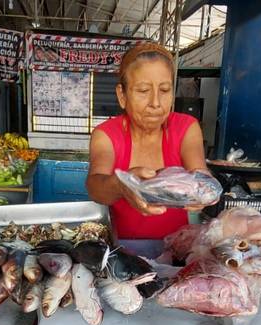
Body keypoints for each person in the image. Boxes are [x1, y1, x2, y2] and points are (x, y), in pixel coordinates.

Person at [86, 43, 209, 240]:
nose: (156, 103)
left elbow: (200, 175)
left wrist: (203, 189)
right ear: (122, 95)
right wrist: (121, 185)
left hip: (177, 250)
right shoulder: (106, 134)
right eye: (143, 91)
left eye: (165, 90)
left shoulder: (186, 127)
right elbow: (95, 188)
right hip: (122, 253)